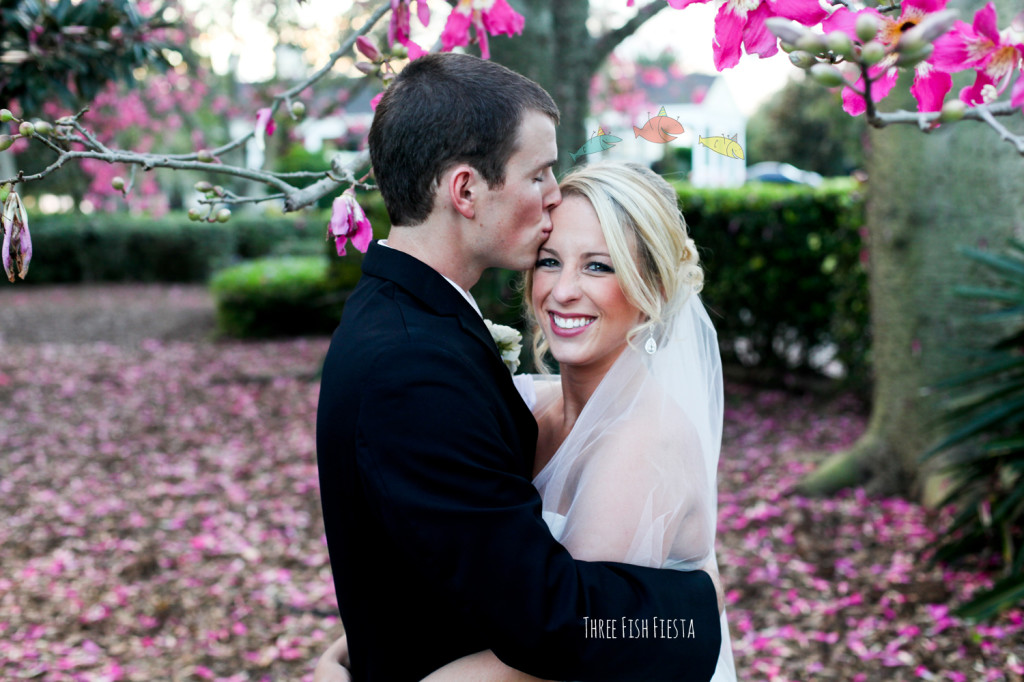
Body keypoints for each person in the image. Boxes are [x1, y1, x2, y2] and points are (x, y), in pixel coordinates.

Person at [315, 52, 722, 682]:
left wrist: (695, 612)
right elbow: (551, 620)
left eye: (597, 265)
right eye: (539, 174)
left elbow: (474, 570)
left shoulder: (419, 326)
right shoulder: (418, 364)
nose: (552, 194)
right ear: (466, 191)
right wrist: (694, 613)